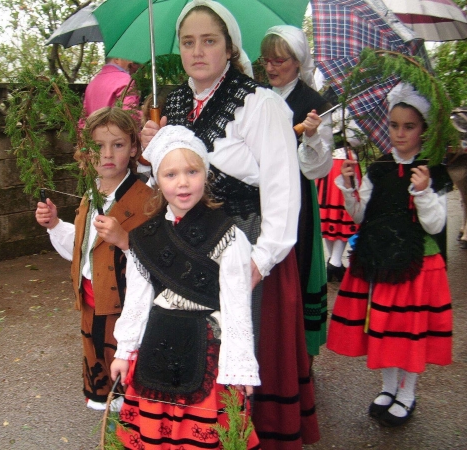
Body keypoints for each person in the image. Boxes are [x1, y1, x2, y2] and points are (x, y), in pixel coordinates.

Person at [140, 2, 319, 448]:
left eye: (209, 40)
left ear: (229, 46)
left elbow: (282, 194)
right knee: (191, 351)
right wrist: (153, 152)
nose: (197, 51)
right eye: (187, 42)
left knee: (237, 354)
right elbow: (168, 185)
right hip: (185, 247)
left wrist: (261, 262)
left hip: (244, 247)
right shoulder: (173, 103)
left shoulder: (262, 105)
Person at [110, 125, 261, 449]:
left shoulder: (230, 237)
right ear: (158, 181)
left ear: (205, 175)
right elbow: (138, 298)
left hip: (207, 348)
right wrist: (124, 351)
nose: (182, 182)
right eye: (171, 174)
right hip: (157, 343)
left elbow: (236, 307)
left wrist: (240, 368)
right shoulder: (146, 236)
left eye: (191, 171)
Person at [326, 83, 453, 427]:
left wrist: (424, 192)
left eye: (409, 127)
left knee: (408, 330)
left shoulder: (432, 170)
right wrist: (351, 189)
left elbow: (435, 222)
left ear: (423, 129)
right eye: (394, 125)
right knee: (382, 327)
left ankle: (407, 393)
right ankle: (387, 387)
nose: (400, 133)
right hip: (380, 260)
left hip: (417, 263)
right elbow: (360, 215)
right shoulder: (379, 167)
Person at [35, 107, 153, 411]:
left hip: (126, 307)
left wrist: (125, 241)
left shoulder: (147, 198)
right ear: (85, 153)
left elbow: (157, 260)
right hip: (90, 301)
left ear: (134, 148)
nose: (107, 154)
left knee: (126, 374)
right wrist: (55, 226)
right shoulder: (91, 193)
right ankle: (110, 425)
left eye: (118, 145)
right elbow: (83, 248)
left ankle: (129, 431)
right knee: (99, 368)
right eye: (97, 146)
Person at [260, 25, 333, 362]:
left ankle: (298, 359)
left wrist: (312, 138)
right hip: (259, 196)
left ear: (297, 61)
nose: (272, 68)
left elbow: (316, 169)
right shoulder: (258, 95)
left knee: (294, 272)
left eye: (280, 60)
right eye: (267, 61)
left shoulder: (314, 104)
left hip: (296, 201)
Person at [315, 109, 362, 282]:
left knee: (328, 215)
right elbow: (356, 139)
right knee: (343, 215)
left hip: (325, 163)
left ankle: (333, 261)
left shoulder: (324, 108)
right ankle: (334, 262)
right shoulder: (348, 110)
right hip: (343, 163)